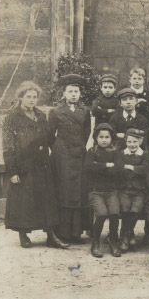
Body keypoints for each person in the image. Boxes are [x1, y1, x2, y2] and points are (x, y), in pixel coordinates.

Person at [2, 81, 68, 249]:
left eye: (35, 97)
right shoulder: (12, 117)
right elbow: (8, 146)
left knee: (47, 200)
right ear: (21, 98)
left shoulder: (40, 114)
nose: (32, 100)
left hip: (42, 164)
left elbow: (48, 138)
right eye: (28, 97)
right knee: (23, 201)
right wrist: (12, 171)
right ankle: (23, 235)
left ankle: (51, 236)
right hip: (24, 165)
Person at [49, 74, 91, 243]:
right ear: (64, 94)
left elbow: (87, 133)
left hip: (79, 154)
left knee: (78, 191)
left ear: (80, 94)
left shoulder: (85, 111)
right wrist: (60, 150)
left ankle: (76, 232)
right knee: (64, 191)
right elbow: (50, 135)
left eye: (76, 91)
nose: (73, 94)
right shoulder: (56, 111)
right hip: (62, 155)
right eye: (70, 91)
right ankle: (63, 232)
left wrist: (79, 146)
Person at [84, 123, 123, 257]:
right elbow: (88, 168)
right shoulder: (92, 152)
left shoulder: (116, 152)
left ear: (112, 138)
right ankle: (95, 242)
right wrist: (107, 165)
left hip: (112, 190)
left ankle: (113, 240)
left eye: (107, 137)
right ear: (96, 137)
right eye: (101, 137)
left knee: (114, 213)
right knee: (101, 214)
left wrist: (98, 167)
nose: (104, 139)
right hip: (95, 191)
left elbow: (118, 169)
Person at [118, 128, 149, 251]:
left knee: (135, 210)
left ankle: (125, 235)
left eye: (135, 142)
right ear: (125, 141)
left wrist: (130, 167)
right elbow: (119, 169)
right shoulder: (121, 153)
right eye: (129, 142)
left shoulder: (145, 154)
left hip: (139, 190)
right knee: (125, 209)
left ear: (140, 141)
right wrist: (136, 169)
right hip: (124, 189)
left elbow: (145, 169)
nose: (132, 145)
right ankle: (128, 236)